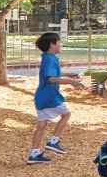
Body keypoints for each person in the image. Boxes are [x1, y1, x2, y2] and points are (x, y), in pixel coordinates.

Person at [28, 32, 84, 164]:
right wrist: (72, 82)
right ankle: (53, 142)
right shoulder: (50, 59)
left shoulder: (48, 57)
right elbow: (51, 78)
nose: (61, 45)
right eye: (59, 42)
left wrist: (70, 76)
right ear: (52, 44)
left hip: (41, 97)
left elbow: (54, 74)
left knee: (41, 125)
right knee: (66, 114)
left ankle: (34, 154)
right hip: (49, 97)